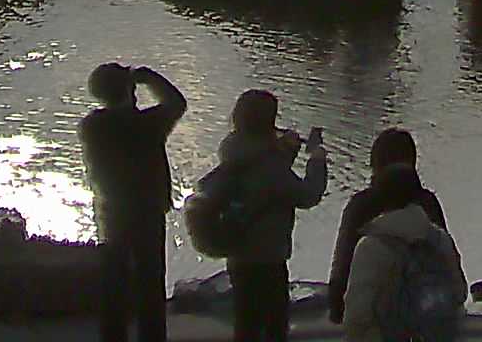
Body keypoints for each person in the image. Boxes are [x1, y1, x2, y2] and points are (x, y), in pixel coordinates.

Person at [205, 89, 332, 342]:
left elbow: (264, 178)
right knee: (274, 327)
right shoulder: (269, 163)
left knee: (245, 322)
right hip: (268, 257)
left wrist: (283, 152)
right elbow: (306, 194)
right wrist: (316, 159)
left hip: (238, 250)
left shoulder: (234, 150)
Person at [84, 64, 189, 342]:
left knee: (113, 283)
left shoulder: (93, 125)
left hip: (111, 213)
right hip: (148, 212)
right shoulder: (148, 123)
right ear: (131, 90)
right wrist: (150, 77)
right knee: (151, 284)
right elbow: (176, 102)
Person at [329, 127, 454, 341]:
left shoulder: (361, 206)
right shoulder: (428, 205)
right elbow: (450, 273)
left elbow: (343, 266)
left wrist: (336, 309)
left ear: (375, 164)